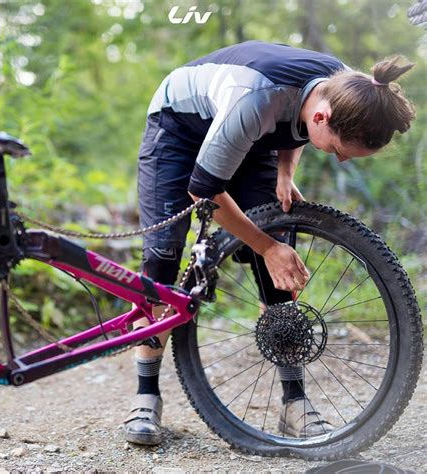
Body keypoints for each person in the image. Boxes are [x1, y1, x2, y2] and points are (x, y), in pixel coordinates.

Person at [123, 41, 416, 446]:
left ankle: (293, 404)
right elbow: (204, 193)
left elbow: (295, 125)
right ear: (322, 117)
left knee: (279, 259)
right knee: (163, 256)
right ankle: (146, 396)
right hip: (179, 125)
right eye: (336, 149)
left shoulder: (352, 90)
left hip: (250, 131)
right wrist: (265, 246)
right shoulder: (255, 101)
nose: (340, 160)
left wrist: (283, 172)